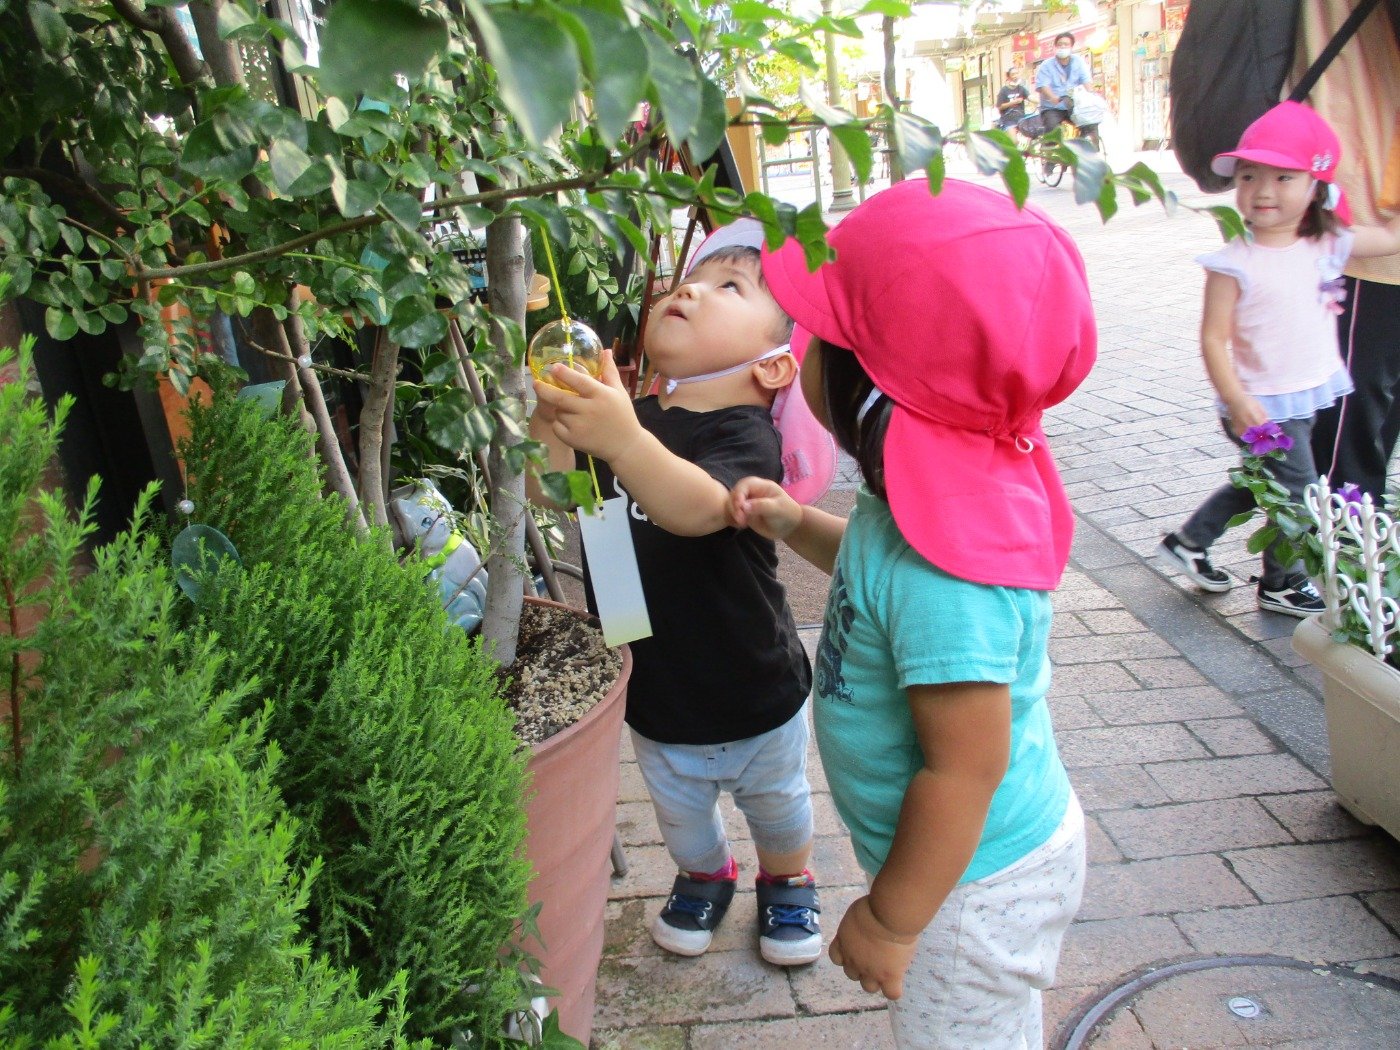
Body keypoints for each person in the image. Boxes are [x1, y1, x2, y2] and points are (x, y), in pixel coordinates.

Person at [728, 177, 1093, 1048]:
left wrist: (892, 920)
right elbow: (873, 578)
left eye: (823, 336)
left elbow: (964, 769)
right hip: (963, 866)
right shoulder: (927, 502)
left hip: (966, 883)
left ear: (872, 388)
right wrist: (798, 525)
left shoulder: (948, 575)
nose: (800, 350)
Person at [528, 229, 823, 967]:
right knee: (680, 813)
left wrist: (622, 439)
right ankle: (705, 873)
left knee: (778, 805)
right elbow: (561, 494)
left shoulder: (744, 433)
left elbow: (700, 509)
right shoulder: (630, 417)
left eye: (730, 286)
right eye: (692, 278)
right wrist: (551, 418)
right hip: (658, 687)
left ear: (774, 365)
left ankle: (788, 879)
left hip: (751, 680)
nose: (688, 289)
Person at [1158, 102, 1400, 616]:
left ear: (1316, 188)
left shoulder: (1328, 244)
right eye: (1248, 176)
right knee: (1298, 492)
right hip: (1260, 406)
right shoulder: (1232, 263)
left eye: (1283, 177)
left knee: (1270, 483)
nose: (1263, 190)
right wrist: (1235, 399)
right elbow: (1212, 339)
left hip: (1306, 394)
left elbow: (1389, 240)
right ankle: (1281, 582)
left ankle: (1190, 541)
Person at [1298, 0, 1400, 505]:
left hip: (1372, 217)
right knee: (1349, 445)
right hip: (1365, 210)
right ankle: (1336, 541)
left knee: (1365, 428)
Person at [1034, 32, 1091, 140]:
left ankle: (1086, 147)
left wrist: (1090, 96)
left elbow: (1085, 80)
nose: (1062, 47)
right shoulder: (1046, 65)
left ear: (1071, 46)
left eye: (1066, 44)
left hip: (1073, 105)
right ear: (1055, 47)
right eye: (1060, 44)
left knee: (1088, 124)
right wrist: (1052, 97)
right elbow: (1043, 85)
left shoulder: (1078, 61)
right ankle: (1050, 148)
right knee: (1052, 129)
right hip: (1052, 107)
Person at [995, 67, 1031, 132]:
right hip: (1008, 120)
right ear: (1009, 77)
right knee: (1013, 137)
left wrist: (1041, 101)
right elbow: (999, 106)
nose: (1015, 76)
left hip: (1021, 118)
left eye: (1017, 73)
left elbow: (1030, 97)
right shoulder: (1004, 90)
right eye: (1013, 74)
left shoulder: (1021, 88)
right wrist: (1014, 102)